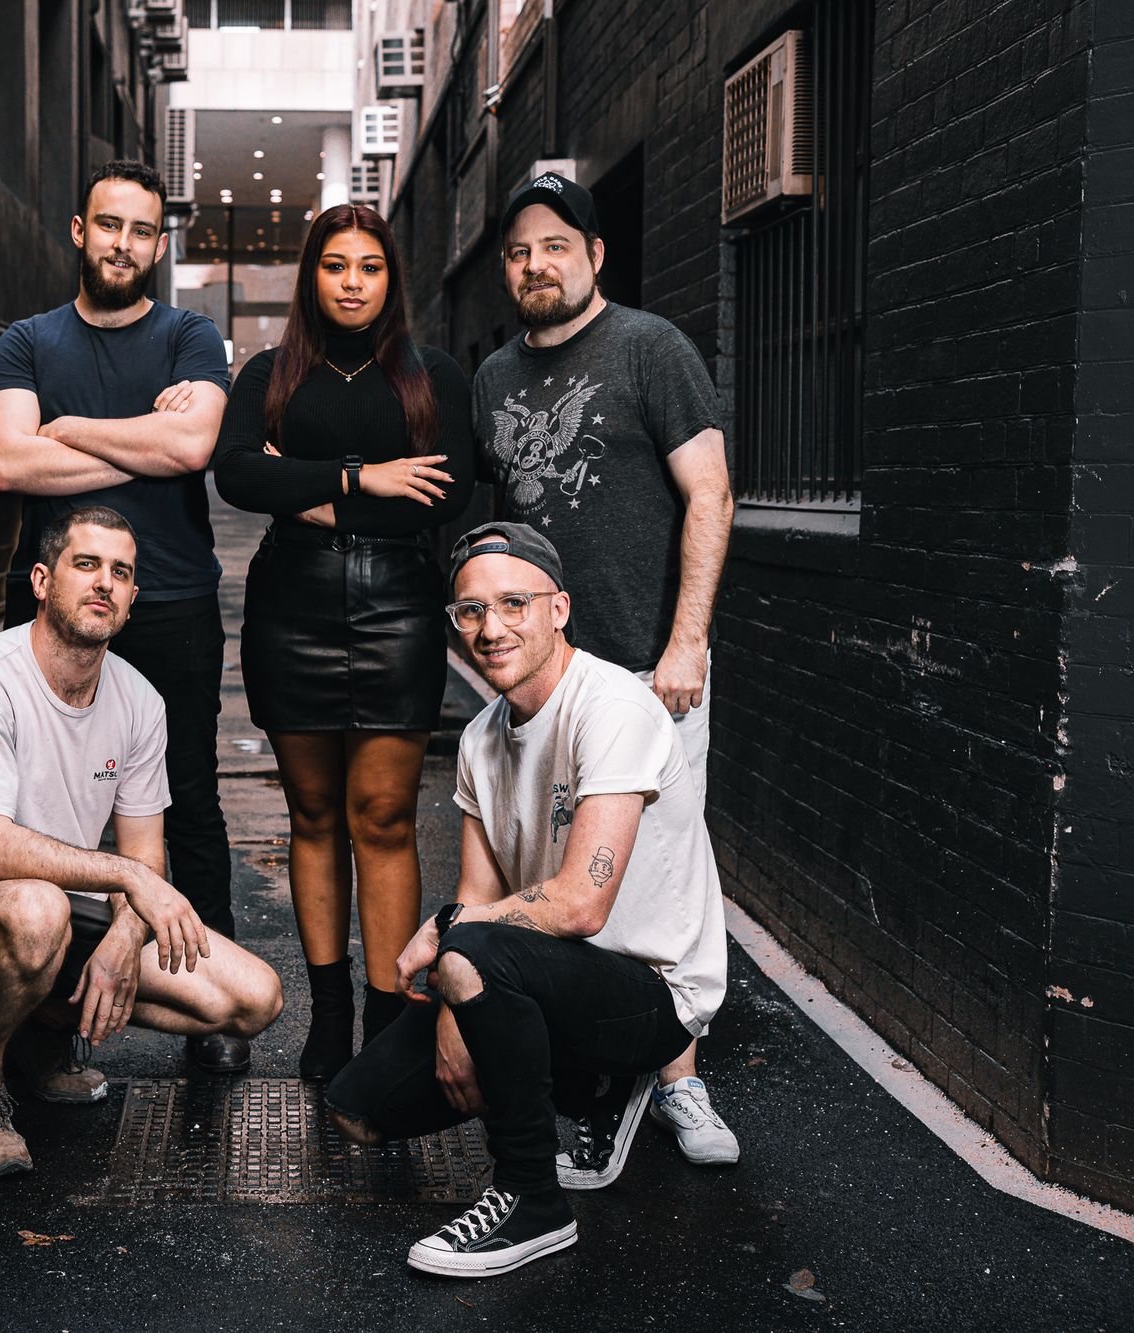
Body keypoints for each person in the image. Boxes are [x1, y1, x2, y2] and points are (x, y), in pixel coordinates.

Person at [325, 523, 727, 1277]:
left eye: (513, 603)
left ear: (559, 608)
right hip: (544, 980)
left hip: (650, 995)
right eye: (470, 611)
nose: (491, 627)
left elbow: (581, 905)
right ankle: (590, 1087)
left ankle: (533, 1201)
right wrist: (452, 1010)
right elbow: (476, 897)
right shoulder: (481, 737)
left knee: (472, 946)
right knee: (358, 1109)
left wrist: (450, 940)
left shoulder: (613, 708)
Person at [0, 506, 284, 1176]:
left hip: (65, 910)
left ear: (129, 603)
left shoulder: (139, 702)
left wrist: (124, 940)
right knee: (38, 912)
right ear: (41, 580)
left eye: (120, 573)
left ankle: (41, 1032)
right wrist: (128, 882)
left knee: (251, 998)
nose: (104, 582)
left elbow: (145, 853)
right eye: (86, 564)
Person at [474, 172, 740, 1166]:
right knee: (559, 883)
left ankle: (679, 1081)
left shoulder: (648, 347)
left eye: (554, 243)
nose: (534, 263)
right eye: (517, 250)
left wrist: (686, 640)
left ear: (591, 253)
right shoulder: (492, 378)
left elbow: (707, 495)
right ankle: (592, 1076)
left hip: (644, 667)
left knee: (663, 883)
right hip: (545, 686)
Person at [0, 160, 249, 1074]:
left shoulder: (190, 334)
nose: (123, 244)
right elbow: (10, 468)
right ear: (78, 230)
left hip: (171, 600)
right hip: (54, 606)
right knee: (40, 805)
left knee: (190, 799)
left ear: (159, 244)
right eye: (108, 226)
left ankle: (207, 1008)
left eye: (140, 230)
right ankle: (30, 1014)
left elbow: (194, 445)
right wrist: (140, 440)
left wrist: (67, 430)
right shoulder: (25, 342)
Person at [212, 204, 473, 1080]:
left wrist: (306, 486)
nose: (352, 281)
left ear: (391, 277)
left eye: (369, 266)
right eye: (335, 265)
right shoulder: (270, 370)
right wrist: (367, 477)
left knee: (385, 818)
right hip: (292, 611)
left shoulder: (431, 375)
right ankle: (330, 1020)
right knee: (313, 816)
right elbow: (240, 471)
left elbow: (445, 492)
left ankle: (389, 1022)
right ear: (311, 276)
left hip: (400, 610)